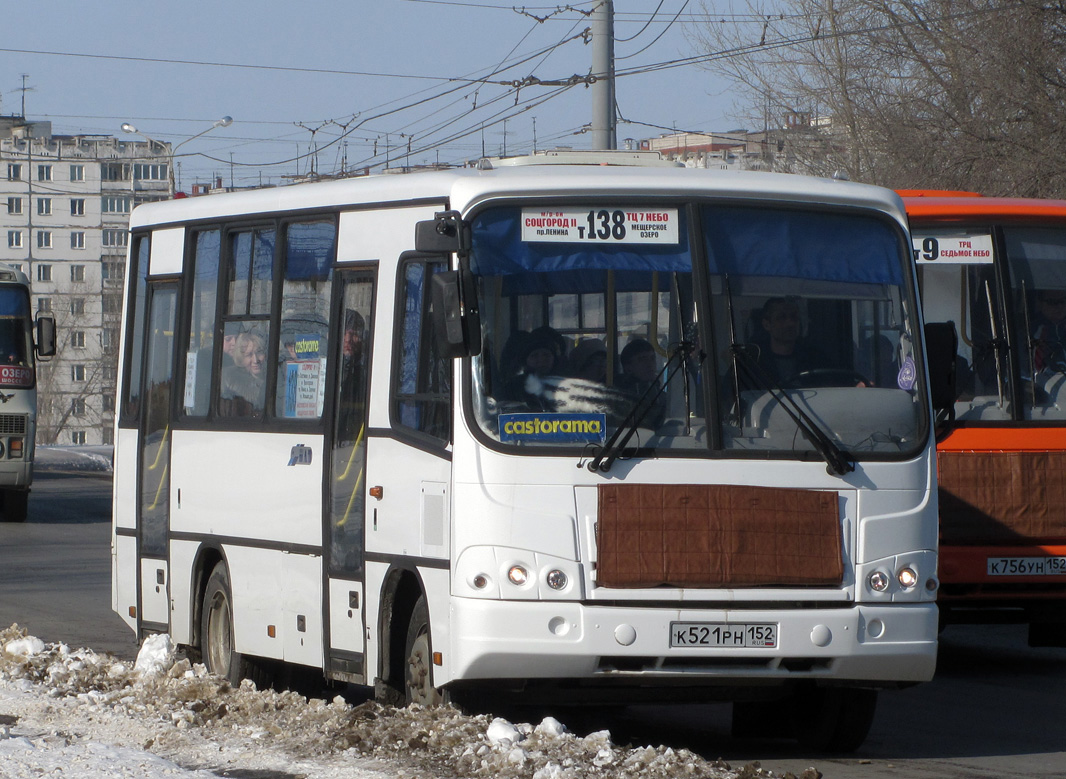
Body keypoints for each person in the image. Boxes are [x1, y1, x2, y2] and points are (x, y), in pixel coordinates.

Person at [751, 297, 829, 385]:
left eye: (794, 317)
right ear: (766, 324)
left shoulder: (817, 360)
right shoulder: (752, 363)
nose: (790, 323)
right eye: (781, 317)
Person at [618, 338, 666, 427]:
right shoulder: (621, 398)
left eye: (652, 358)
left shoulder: (662, 396)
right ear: (628, 368)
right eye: (642, 359)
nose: (649, 364)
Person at [221, 329, 267, 416]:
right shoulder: (229, 379)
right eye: (249, 355)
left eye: (259, 353)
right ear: (241, 359)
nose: (255, 360)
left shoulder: (278, 377)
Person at [1032, 289, 1066, 373]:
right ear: (1039, 304)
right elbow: (1023, 371)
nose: (1059, 306)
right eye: (1052, 302)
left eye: (1063, 301)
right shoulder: (1028, 332)